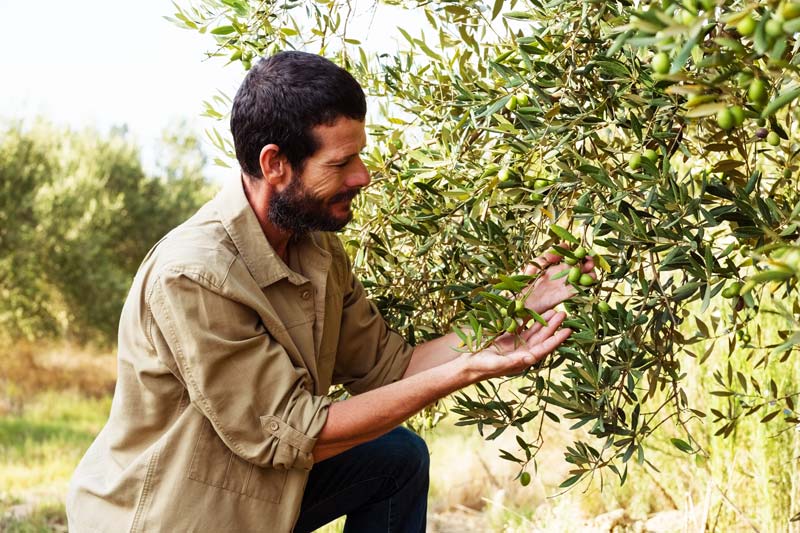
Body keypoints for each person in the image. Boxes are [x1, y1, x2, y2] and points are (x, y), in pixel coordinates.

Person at [66, 51, 594, 533]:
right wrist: (467, 369)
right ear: (275, 164)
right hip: (171, 517)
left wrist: (512, 311)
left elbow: (394, 370)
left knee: (396, 458)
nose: (362, 177)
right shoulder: (194, 274)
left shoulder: (315, 250)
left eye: (358, 157)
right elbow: (296, 435)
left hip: (257, 494)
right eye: (340, 164)